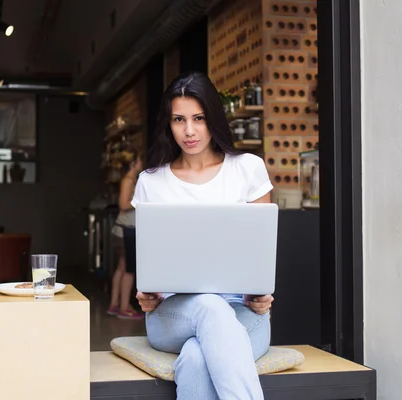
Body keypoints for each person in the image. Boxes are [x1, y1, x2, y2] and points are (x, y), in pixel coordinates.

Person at [131, 71, 275, 399]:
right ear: (168, 123)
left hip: (243, 312)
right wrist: (146, 294)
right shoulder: (151, 182)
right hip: (173, 315)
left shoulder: (248, 168)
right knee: (209, 305)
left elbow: (260, 255)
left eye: (199, 118)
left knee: (196, 358)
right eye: (179, 119)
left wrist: (261, 292)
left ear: (213, 117)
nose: (190, 131)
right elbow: (150, 263)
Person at [107, 155, 144, 320]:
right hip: (127, 230)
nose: (143, 164)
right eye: (141, 161)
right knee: (129, 270)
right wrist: (141, 201)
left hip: (121, 230)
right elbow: (123, 204)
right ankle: (124, 307)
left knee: (121, 268)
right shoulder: (129, 179)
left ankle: (115, 305)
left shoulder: (130, 179)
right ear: (134, 163)